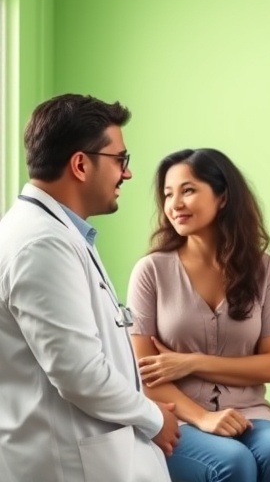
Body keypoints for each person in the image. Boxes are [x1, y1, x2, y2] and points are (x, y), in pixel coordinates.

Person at [0, 94, 178, 481]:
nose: (127, 174)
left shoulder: (56, 233)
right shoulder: (41, 244)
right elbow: (79, 372)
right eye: (120, 160)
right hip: (68, 463)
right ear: (81, 164)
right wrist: (153, 416)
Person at [127, 148, 270, 482]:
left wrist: (191, 362)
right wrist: (204, 418)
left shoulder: (267, 270)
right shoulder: (151, 271)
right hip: (179, 418)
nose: (175, 203)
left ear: (223, 197)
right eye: (167, 194)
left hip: (251, 414)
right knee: (234, 463)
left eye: (188, 190)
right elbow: (146, 375)